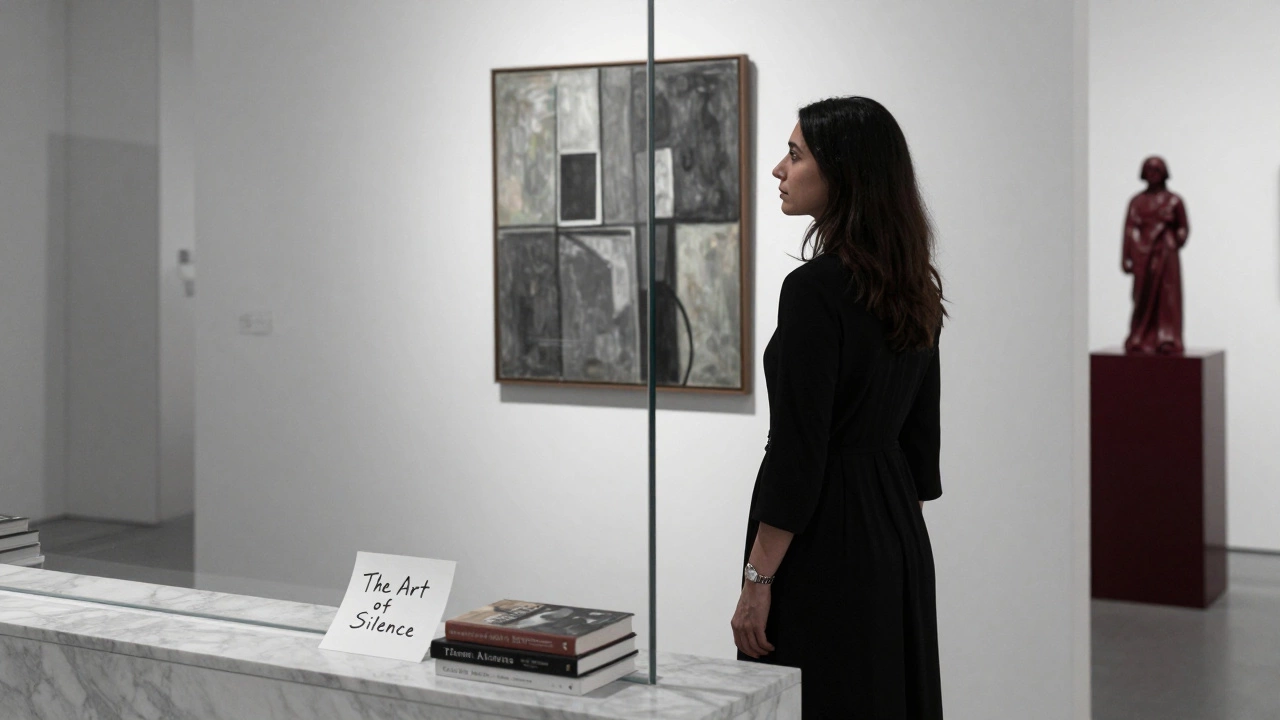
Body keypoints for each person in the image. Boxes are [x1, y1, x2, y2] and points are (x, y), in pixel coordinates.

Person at [731, 96, 945, 719]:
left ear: (843, 173)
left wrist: (758, 581)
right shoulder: (915, 285)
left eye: (795, 155)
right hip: (896, 536)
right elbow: (921, 448)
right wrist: (895, 543)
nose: (778, 169)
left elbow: (799, 454)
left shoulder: (812, 291)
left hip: (823, 544)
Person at [1122, 156, 1188, 355]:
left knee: (1167, 297)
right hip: (1143, 254)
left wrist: (1174, 240)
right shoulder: (1137, 202)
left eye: (1157, 170)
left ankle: (1166, 337)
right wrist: (1127, 256)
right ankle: (1139, 335)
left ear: (1164, 173)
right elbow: (1129, 229)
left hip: (1166, 255)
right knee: (1141, 295)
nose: (1152, 175)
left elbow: (1183, 228)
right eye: (1149, 170)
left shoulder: (1174, 201)